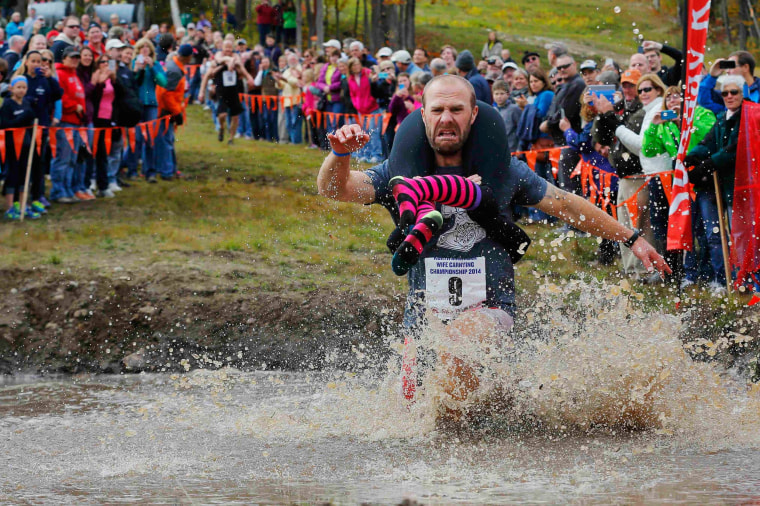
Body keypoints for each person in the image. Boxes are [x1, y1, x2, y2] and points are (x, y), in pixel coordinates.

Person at [316, 74, 668, 404]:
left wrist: (631, 237)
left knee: (457, 348)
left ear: (473, 116)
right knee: (415, 409)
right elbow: (337, 189)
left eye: (456, 110)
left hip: (490, 310)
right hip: (424, 316)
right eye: (437, 110)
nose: (446, 119)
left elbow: (563, 203)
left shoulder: (504, 171)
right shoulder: (400, 171)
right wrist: (340, 153)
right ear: (423, 115)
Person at [642, 86, 716, 289]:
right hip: (680, 183)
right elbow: (649, 150)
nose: (673, 100)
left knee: (706, 230)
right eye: (669, 97)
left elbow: (706, 135)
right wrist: (653, 126)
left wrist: (681, 121)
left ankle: (709, 274)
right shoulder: (664, 124)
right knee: (687, 229)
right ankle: (691, 275)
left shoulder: (701, 113)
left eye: (678, 96)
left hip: (702, 177)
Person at [683, 75, 746, 292]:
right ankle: (722, 279)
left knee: (740, 235)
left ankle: (744, 279)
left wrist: (709, 163)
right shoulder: (720, 117)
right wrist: (690, 157)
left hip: (740, 186)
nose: (729, 97)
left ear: (742, 93)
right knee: (716, 235)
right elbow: (707, 143)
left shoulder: (749, 117)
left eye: (734, 92)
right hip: (718, 184)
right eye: (725, 93)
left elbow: (735, 148)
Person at [18, 50, 64, 208]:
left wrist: (51, 78)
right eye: (33, 61)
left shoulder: (44, 80)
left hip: (41, 127)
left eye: (39, 62)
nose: (37, 64)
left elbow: (58, 95)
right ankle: (20, 198)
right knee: (23, 163)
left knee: (39, 163)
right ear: (26, 62)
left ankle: (37, 196)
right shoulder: (21, 79)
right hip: (23, 127)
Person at [541, 54, 586, 196]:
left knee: (570, 189)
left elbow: (567, 113)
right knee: (564, 187)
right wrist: (549, 121)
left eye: (566, 66)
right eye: (559, 68)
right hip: (563, 142)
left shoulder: (577, 84)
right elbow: (553, 112)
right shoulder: (565, 86)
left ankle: (576, 218)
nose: (562, 70)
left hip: (570, 142)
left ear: (574, 64)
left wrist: (549, 123)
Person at [50, 46, 86, 204]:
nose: (75, 60)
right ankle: (58, 191)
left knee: (72, 158)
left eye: (77, 57)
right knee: (63, 158)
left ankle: (67, 188)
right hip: (65, 121)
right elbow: (60, 97)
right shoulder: (60, 74)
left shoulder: (74, 74)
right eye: (72, 57)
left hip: (76, 121)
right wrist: (74, 106)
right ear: (64, 58)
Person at [201, 39, 254, 144]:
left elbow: (242, 69)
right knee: (222, 115)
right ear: (222, 48)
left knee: (235, 116)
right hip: (221, 90)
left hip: (233, 90)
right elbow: (207, 75)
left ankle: (231, 138)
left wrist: (249, 78)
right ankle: (221, 127)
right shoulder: (217, 57)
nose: (228, 50)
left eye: (230, 48)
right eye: (226, 47)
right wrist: (201, 92)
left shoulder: (236, 57)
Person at [1, 76, 39, 219]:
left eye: (24, 87)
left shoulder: (27, 103)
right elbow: (5, 124)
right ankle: (10, 207)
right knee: (13, 174)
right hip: (12, 146)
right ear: (12, 88)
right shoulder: (8, 104)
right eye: (18, 87)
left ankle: (23, 205)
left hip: (26, 144)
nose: (21, 90)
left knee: (25, 175)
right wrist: (23, 117)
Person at [130, 38, 167, 181]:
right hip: (137, 103)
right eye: (142, 47)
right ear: (138, 50)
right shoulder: (133, 63)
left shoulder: (156, 64)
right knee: (136, 137)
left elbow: (163, 83)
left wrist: (152, 68)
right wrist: (138, 70)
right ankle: (132, 170)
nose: (145, 49)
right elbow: (132, 81)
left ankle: (150, 171)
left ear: (151, 51)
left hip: (151, 103)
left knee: (151, 138)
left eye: (147, 47)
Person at [155, 44, 191, 180]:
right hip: (165, 110)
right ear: (187, 57)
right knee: (165, 141)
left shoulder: (174, 66)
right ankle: (166, 172)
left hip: (167, 109)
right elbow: (166, 94)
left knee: (167, 140)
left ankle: (170, 169)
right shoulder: (175, 70)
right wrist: (177, 112)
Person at [346, 56, 382, 163]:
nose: (357, 67)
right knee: (363, 133)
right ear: (351, 68)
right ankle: (366, 153)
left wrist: (375, 77)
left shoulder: (367, 73)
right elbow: (353, 94)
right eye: (354, 65)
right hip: (360, 110)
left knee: (373, 132)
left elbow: (376, 78)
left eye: (358, 64)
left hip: (372, 108)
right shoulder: (350, 79)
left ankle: (377, 154)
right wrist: (356, 105)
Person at [491, 79, 521, 155]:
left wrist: (519, 148)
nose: (499, 97)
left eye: (502, 93)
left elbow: (520, 129)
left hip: (512, 149)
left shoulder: (514, 109)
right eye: (496, 94)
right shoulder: (492, 110)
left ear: (508, 94)